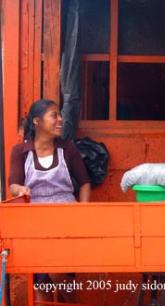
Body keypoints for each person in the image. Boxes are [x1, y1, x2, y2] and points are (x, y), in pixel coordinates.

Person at [8, 99, 91, 303]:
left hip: (66, 223)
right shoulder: (20, 151)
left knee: (66, 284)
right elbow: (13, 185)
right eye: (54, 115)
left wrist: (84, 212)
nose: (60, 120)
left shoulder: (68, 149)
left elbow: (85, 183)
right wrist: (21, 189)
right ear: (37, 121)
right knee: (41, 283)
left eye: (60, 115)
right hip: (36, 224)